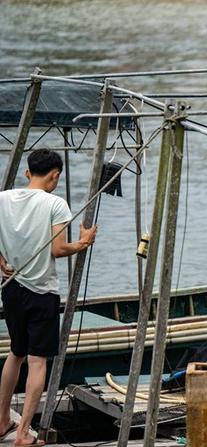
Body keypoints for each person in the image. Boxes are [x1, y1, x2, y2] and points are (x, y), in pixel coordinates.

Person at [0, 149, 97, 446]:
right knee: (38, 361)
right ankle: (23, 433)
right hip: (41, 291)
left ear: (28, 172)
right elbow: (58, 249)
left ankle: (2, 421)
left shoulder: (3, 199)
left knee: (15, 353)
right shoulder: (56, 203)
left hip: (11, 287)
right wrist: (83, 242)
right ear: (55, 175)